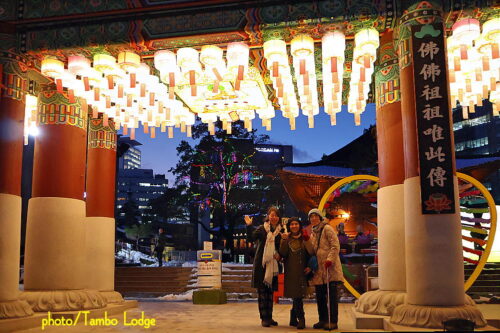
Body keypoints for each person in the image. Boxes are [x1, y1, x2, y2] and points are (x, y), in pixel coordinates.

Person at [245, 207, 282, 327]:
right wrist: (249, 226)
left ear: (279, 218)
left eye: (276, 215)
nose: (274, 217)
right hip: (261, 264)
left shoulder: (281, 231)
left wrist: (280, 254)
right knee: (262, 292)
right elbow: (250, 238)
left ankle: (269, 317)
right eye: (272, 215)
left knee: (270, 292)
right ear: (268, 216)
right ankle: (264, 318)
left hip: (273, 264)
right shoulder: (262, 229)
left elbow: (282, 248)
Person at [308, 208, 343, 330]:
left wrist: (330, 259)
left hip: (330, 269)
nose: (313, 218)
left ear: (320, 217)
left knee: (332, 297)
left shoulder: (327, 228)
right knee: (320, 297)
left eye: (315, 216)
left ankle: (333, 321)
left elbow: (335, 245)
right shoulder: (313, 233)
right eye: (311, 217)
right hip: (319, 271)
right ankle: (322, 320)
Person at [279, 217, 314, 329]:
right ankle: (301, 318)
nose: (294, 226)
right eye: (292, 224)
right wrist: (284, 240)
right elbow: (283, 254)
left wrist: (310, 267)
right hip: (291, 272)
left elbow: (311, 252)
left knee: (298, 295)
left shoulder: (305, 238)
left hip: (303, 271)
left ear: (299, 225)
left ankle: (293, 318)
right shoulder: (287, 239)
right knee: (297, 295)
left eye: (296, 224)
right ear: (289, 226)